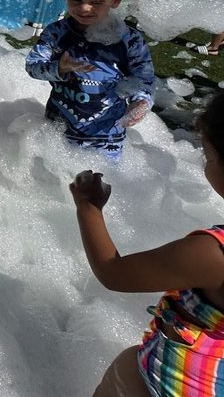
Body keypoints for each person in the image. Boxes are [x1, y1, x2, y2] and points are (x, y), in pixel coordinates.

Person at [71, 93, 224, 397]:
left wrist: (88, 208)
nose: (206, 164)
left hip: (180, 384)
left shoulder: (212, 254)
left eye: (209, 156)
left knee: (125, 368)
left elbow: (112, 272)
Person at [25, 0, 154, 159]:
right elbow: (32, 66)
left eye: (97, 3)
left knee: (99, 187)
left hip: (107, 137)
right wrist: (58, 68)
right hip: (58, 130)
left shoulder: (129, 40)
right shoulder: (56, 32)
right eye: (76, 0)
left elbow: (143, 77)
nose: (85, 8)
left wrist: (141, 102)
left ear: (115, 1)